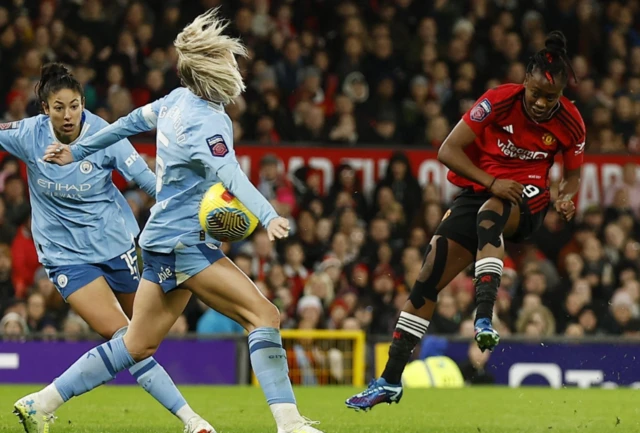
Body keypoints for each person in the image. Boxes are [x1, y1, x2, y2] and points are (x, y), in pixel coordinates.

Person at [20, 9, 322, 433]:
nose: (235, 68)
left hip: (159, 240)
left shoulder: (175, 102)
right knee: (265, 316)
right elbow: (231, 175)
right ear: (212, 72)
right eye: (228, 61)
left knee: (136, 343)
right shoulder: (207, 122)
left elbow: (125, 124)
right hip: (184, 245)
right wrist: (269, 214)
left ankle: (42, 401)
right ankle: (290, 425)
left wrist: (78, 151)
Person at [345, 30, 585, 410]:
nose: (541, 103)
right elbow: (447, 149)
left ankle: (485, 317)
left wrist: (567, 196)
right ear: (525, 81)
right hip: (482, 188)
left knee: (492, 214)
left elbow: (572, 174)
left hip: (528, 199)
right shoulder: (498, 101)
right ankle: (389, 382)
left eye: (551, 97)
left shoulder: (571, 123)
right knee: (426, 279)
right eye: (536, 93)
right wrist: (491, 181)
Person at [5, 64, 212, 432]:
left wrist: (189, 210)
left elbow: (147, 181)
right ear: (44, 108)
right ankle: (191, 419)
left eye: (74, 106)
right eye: (58, 107)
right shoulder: (27, 136)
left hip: (118, 249)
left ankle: (43, 402)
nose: (67, 115)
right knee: (124, 337)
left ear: (83, 104)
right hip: (66, 257)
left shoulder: (106, 134)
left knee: (143, 342)